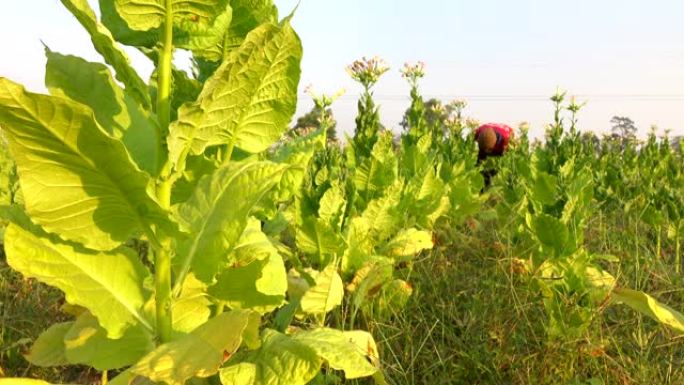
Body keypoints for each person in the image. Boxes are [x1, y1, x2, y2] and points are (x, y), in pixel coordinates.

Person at [475, 123, 513, 187]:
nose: (487, 152)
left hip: (501, 145)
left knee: (496, 168)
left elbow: (509, 152)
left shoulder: (505, 138)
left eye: (489, 150)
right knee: (479, 164)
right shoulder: (478, 131)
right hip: (487, 137)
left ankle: (491, 184)